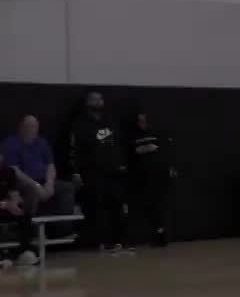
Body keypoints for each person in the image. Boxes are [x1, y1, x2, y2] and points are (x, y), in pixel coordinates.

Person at [68, 92, 129, 253]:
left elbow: (118, 144)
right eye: (95, 100)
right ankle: (99, 242)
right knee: (96, 207)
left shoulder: (111, 121)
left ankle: (119, 241)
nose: (99, 102)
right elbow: (74, 149)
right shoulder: (80, 124)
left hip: (113, 172)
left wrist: (121, 163)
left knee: (117, 205)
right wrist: (76, 171)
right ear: (88, 103)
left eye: (101, 99)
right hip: (92, 172)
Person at [4, 115, 75, 217]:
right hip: (24, 183)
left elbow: (50, 165)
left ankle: (62, 224)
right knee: (32, 191)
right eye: (28, 126)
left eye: (34, 127)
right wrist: (36, 185)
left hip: (44, 180)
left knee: (67, 188)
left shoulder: (42, 142)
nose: (31, 130)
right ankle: (32, 224)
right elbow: (14, 170)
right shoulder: (11, 143)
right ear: (21, 127)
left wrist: (49, 183)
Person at [128, 111, 175, 247]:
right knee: (148, 206)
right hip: (143, 176)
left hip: (159, 175)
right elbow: (135, 151)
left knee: (159, 204)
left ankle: (162, 234)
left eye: (144, 120)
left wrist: (170, 167)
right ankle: (155, 233)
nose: (142, 123)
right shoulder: (134, 136)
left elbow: (162, 149)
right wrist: (146, 148)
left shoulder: (157, 133)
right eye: (139, 121)